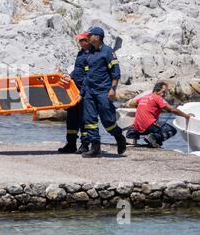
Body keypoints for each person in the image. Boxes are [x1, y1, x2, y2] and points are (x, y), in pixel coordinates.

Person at [80, 26, 127, 158]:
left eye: (90, 35)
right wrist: (83, 92)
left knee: (108, 121)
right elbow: (87, 74)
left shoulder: (108, 52)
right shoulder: (89, 52)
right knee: (89, 120)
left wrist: (113, 89)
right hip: (89, 92)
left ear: (97, 37)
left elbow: (116, 72)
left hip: (103, 92)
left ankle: (119, 137)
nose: (87, 38)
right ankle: (95, 148)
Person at [126, 82, 195, 148]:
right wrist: (186, 116)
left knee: (158, 131)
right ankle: (154, 138)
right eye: (164, 92)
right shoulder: (157, 97)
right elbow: (171, 109)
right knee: (171, 130)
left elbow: (132, 103)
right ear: (157, 91)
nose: (165, 94)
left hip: (138, 127)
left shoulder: (144, 97)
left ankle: (134, 133)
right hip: (148, 126)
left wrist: (149, 107)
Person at [58, 32, 90, 154]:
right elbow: (78, 71)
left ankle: (85, 144)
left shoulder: (92, 55)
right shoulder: (80, 53)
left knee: (84, 119)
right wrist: (69, 77)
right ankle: (71, 144)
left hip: (84, 91)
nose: (80, 42)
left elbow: (90, 74)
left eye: (82, 40)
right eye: (79, 40)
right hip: (74, 89)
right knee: (71, 118)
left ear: (88, 41)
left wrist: (84, 91)